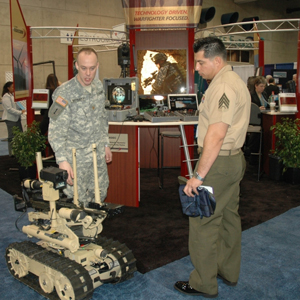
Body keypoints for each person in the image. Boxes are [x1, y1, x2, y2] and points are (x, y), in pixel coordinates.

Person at [174, 37, 250, 298]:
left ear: (217, 60)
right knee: (229, 217)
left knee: (204, 223)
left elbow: (215, 136)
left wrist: (198, 176)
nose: (196, 67)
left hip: (217, 163)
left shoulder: (223, 87)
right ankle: (227, 271)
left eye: (200, 62)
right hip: (233, 160)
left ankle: (203, 283)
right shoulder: (233, 82)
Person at [48, 47, 112, 207]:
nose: (88, 73)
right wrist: (62, 160)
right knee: (77, 202)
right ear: (76, 65)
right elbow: (55, 130)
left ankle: (94, 231)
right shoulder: (64, 93)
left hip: (97, 158)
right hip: (75, 160)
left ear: (97, 66)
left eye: (92, 68)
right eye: (83, 68)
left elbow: (102, 119)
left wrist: (105, 144)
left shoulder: (98, 88)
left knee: (100, 195)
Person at [1, 81, 25, 156]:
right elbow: (9, 109)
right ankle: (11, 153)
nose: (14, 88)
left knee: (19, 135)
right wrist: (20, 112)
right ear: (8, 88)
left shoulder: (13, 95)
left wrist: (22, 109)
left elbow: (17, 105)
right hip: (10, 119)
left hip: (17, 118)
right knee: (12, 137)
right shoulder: (5, 97)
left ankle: (19, 151)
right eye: (12, 87)